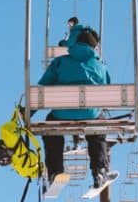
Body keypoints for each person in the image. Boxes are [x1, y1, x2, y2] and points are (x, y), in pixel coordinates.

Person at [38, 26, 111, 188]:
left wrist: (27, 112)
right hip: (90, 114)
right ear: (93, 47)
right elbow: (107, 91)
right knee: (97, 128)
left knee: (51, 129)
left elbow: (41, 89)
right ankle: (99, 168)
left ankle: (55, 170)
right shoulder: (100, 66)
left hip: (61, 114)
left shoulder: (60, 62)